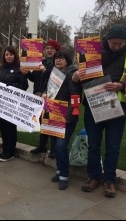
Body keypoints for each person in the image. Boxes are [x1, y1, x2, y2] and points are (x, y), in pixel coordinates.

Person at [72, 24, 126, 198]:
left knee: (113, 145)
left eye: (120, 44)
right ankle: (94, 177)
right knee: (93, 144)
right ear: (107, 39)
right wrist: (76, 76)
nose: (117, 46)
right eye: (113, 43)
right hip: (94, 103)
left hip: (118, 105)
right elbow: (81, 78)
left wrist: (121, 85)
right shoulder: (91, 50)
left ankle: (110, 180)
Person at [41, 49, 82, 190]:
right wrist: (45, 93)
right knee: (55, 145)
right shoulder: (54, 74)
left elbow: (76, 97)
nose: (58, 60)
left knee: (61, 146)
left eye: (62, 58)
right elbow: (48, 89)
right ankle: (59, 171)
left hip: (66, 117)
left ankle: (64, 175)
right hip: (53, 114)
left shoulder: (72, 76)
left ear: (67, 60)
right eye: (57, 58)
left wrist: (68, 117)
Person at [21, 39, 61, 159]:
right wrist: (27, 73)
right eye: (47, 48)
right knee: (41, 122)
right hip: (38, 96)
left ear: (56, 51)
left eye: (52, 48)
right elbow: (35, 78)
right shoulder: (40, 62)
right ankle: (42, 145)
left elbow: (57, 79)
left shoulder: (58, 63)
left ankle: (54, 149)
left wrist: (45, 70)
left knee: (51, 123)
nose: (49, 50)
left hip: (52, 97)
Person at [0, 45, 28, 161]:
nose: (9, 56)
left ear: (15, 55)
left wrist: (8, 88)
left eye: (11, 54)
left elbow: (24, 86)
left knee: (10, 128)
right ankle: (4, 150)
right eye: (7, 54)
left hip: (12, 103)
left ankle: (11, 152)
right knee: (2, 127)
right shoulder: (1, 68)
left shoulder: (20, 69)